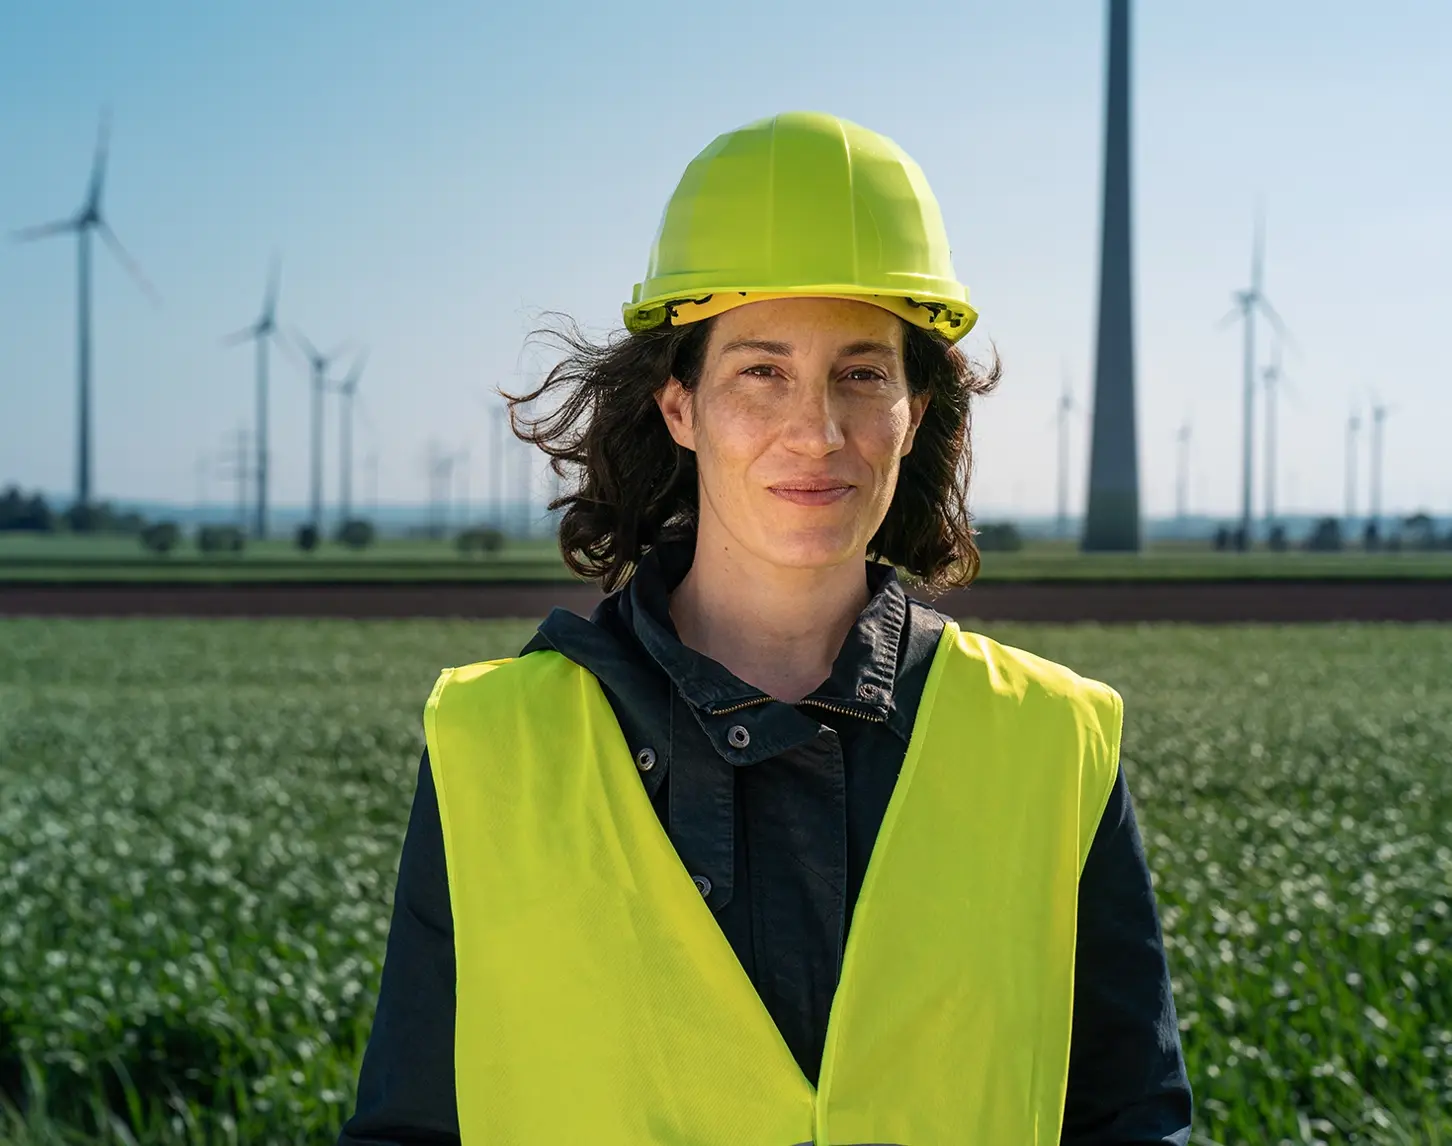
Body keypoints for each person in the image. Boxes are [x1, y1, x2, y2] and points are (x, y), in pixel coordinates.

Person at [338, 110, 1192, 1144]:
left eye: (863, 373)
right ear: (679, 405)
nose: (818, 430)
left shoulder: (1054, 744)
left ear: (913, 413)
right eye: (762, 370)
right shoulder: (493, 749)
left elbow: (1130, 1121)